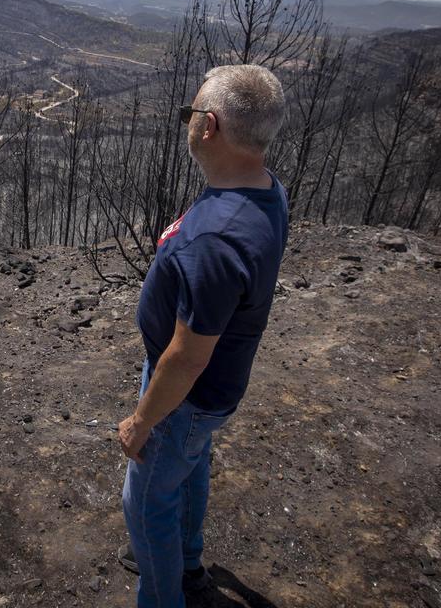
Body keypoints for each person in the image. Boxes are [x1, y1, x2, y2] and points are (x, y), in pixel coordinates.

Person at [118, 64, 289, 608]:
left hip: (186, 395)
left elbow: (188, 357)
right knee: (187, 473)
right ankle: (185, 563)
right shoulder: (264, 189)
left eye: (189, 113)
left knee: (144, 502)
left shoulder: (217, 235)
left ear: (208, 126)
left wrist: (142, 419)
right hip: (211, 391)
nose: (186, 122)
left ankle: (163, 594)